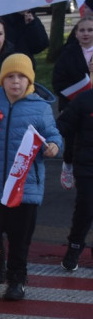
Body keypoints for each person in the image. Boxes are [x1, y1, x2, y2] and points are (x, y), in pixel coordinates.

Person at [0, 54, 62, 301]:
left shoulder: (41, 108)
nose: (15, 82)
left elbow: (54, 136)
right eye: (10, 76)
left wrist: (54, 146)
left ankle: (17, 278)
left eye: (21, 77)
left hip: (26, 189)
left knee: (20, 238)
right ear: (2, 80)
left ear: (30, 80)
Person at [52, 16, 93, 190]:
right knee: (72, 141)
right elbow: (57, 81)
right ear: (75, 33)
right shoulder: (67, 54)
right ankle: (68, 164)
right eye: (82, 30)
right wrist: (76, 93)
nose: (86, 34)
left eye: (90, 30)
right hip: (72, 105)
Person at [57, 84, 93, 270]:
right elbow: (64, 125)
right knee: (86, 208)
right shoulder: (83, 99)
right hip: (87, 166)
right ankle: (74, 247)